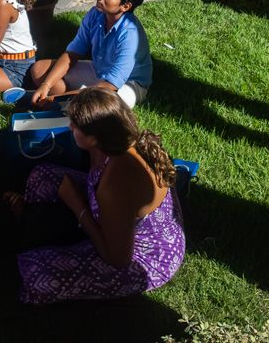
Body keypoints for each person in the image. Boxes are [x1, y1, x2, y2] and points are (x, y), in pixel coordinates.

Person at [16, 88, 185, 305]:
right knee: (43, 176)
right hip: (115, 220)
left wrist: (78, 207)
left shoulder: (116, 183)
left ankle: (47, 235)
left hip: (143, 258)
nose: (70, 127)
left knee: (35, 273)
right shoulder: (115, 144)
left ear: (94, 138)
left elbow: (119, 259)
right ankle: (36, 223)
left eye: (75, 126)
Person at [31, 0, 152, 108]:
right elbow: (73, 53)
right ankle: (67, 101)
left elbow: (111, 84)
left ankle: (66, 102)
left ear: (125, 6)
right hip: (99, 70)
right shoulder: (95, 14)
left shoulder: (130, 35)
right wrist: (45, 85)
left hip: (126, 85)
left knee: (101, 103)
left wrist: (56, 99)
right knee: (39, 69)